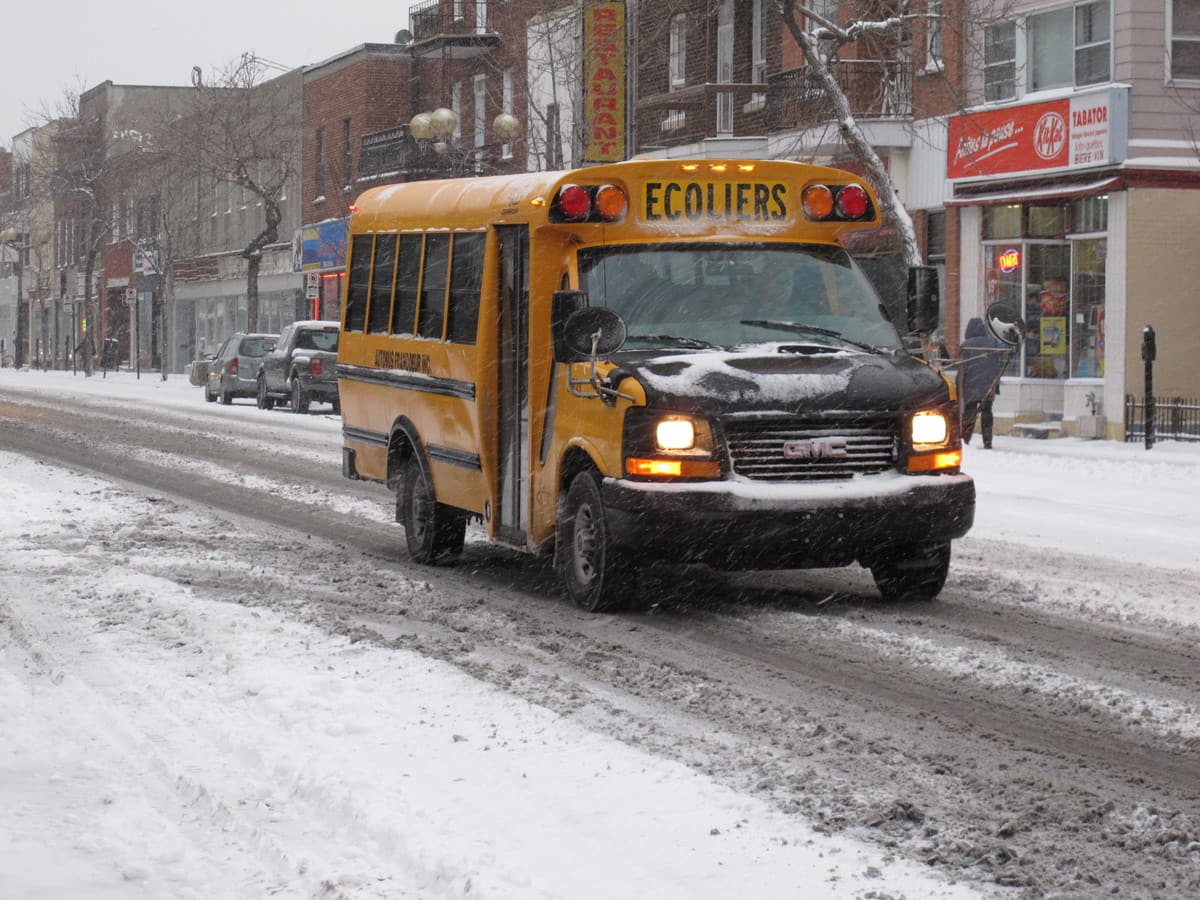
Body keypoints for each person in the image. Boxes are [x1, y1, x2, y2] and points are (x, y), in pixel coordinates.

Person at [958, 317, 1008, 449]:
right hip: (988, 384)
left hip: (971, 385)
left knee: (970, 412)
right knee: (987, 412)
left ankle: (965, 439)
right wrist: (995, 385)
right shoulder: (993, 344)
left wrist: (959, 386)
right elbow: (998, 365)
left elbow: (962, 368)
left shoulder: (966, 345)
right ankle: (988, 441)